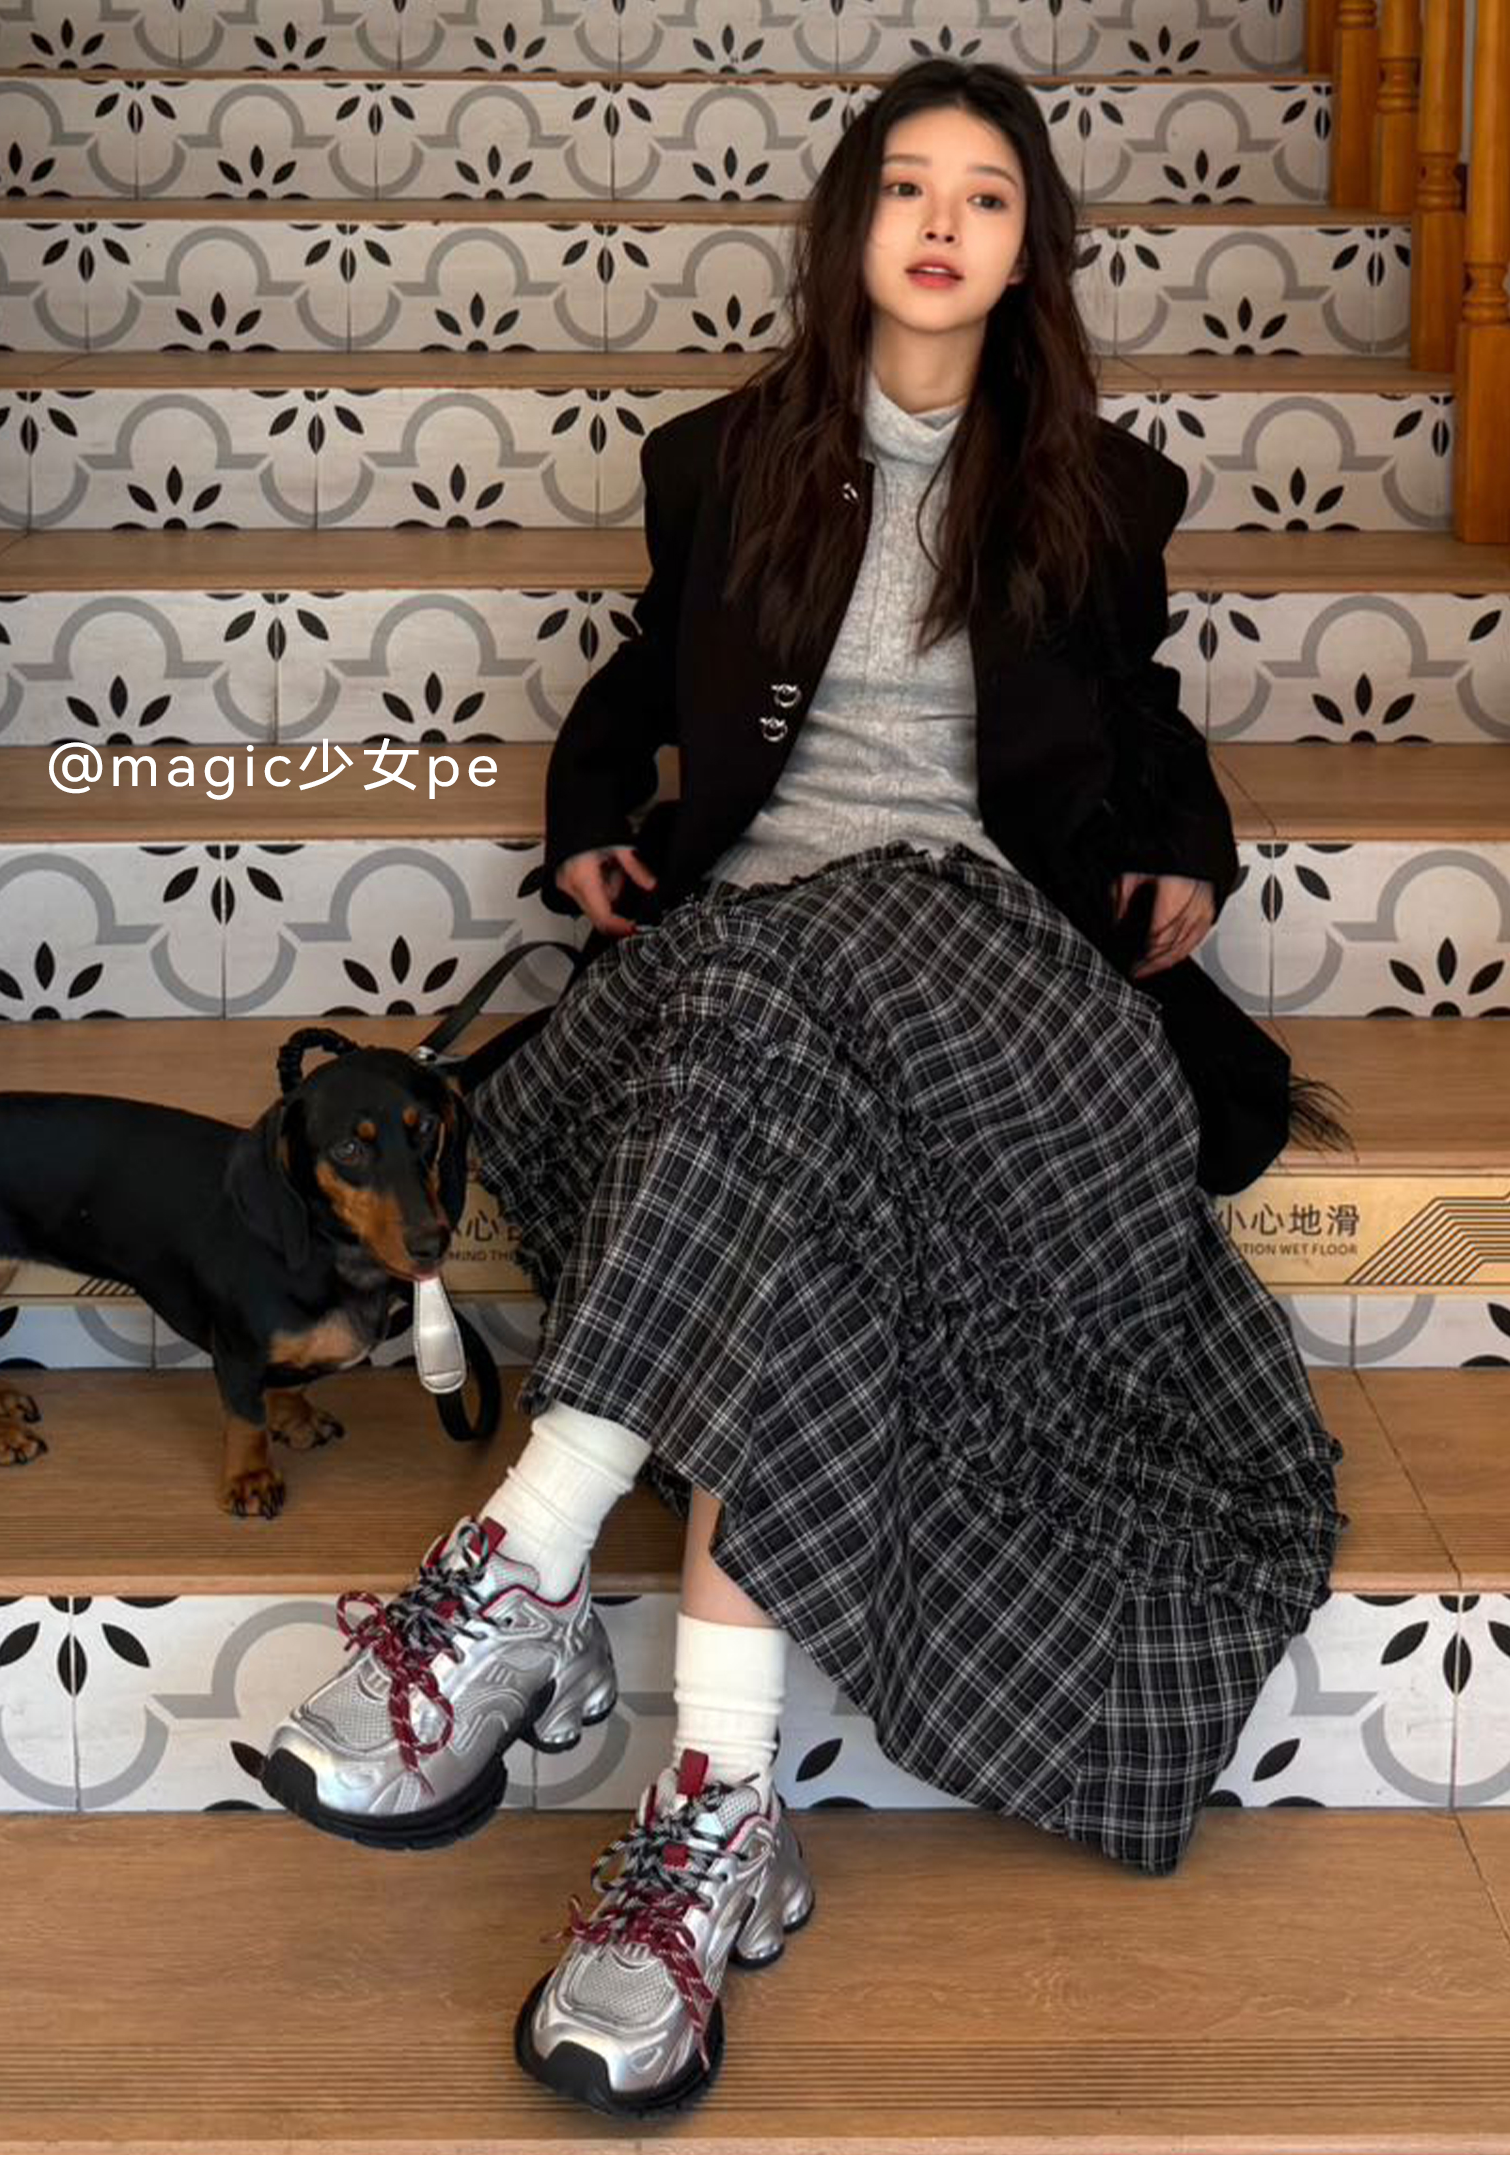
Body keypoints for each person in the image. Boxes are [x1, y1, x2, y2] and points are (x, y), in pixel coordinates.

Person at [257, 57, 1349, 2125]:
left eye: (986, 197)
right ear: (850, 226)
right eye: (906, 187)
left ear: (1028, 252)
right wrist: (593, 815)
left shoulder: (1098, 493)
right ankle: (720, 1811)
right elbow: (643, 669)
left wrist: (1188, 850)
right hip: (743, 998)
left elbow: (1135, 709)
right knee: (788, 1113)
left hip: (995, 985)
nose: (940, 224)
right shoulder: (721, 462)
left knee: (783, 989)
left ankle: (519, 1571)